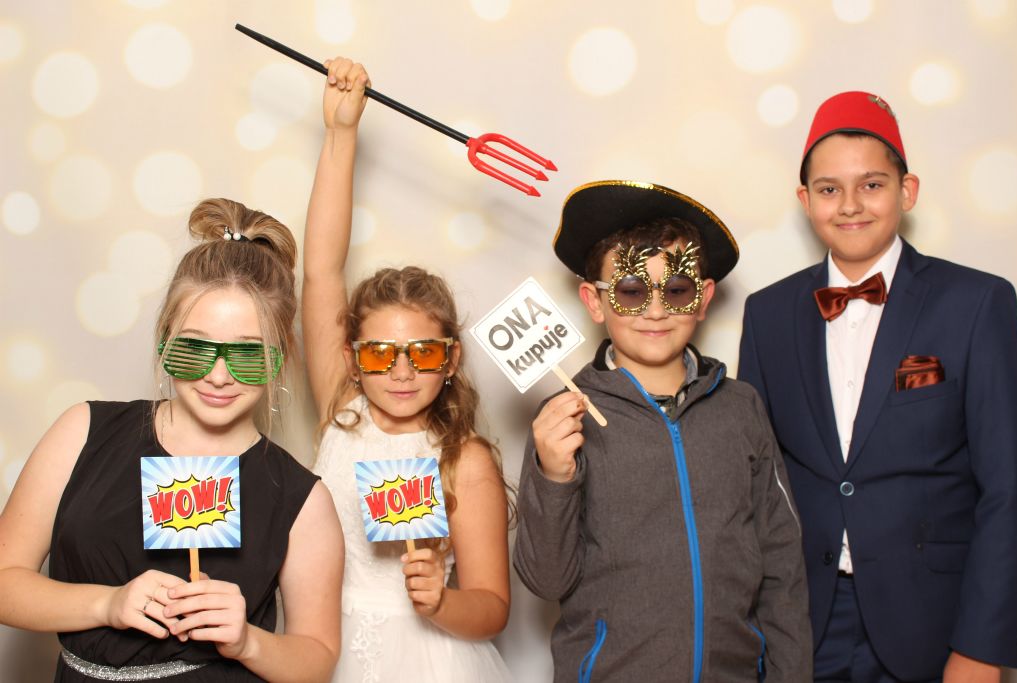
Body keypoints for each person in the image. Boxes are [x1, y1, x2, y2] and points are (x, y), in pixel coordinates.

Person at [738, 91, 1017, 682]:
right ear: (804, 200)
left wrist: (982, 647)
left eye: (871, 185)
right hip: (802, 621)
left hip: (937, 623)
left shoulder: (977, 303)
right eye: (828, 189)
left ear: (906, 190)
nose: (850, 205)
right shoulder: (767, 314)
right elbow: (757, 481)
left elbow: (1009, 487)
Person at [0, 198, 344, 681]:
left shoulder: (302, 498)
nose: (218, 376)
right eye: (194, 349)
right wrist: (106, 603)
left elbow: (317, 659)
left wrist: (247, 641)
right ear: (164, 341)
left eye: (247, 355)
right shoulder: (81, 432)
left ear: (280, 358)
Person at [514, 180, 812, 682]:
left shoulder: (741, 408)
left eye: (676, 290)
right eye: (631, 291)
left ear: (703, 298)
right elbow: (545, 580)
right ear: (594, 301)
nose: (656, 310)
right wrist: (554, 477)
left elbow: (783, 564)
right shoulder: (562, 420)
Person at [301, 57, 513, 682]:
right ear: (351, 360)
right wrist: (341, 132)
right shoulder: (341, 410)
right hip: (329, 645)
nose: (400, 372)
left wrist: (441, 601)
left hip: (433, 660)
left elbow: (493, 607)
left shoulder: (464, 457)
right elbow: (320, 270)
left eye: (422, 353)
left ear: (450, 361)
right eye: (378, 354)